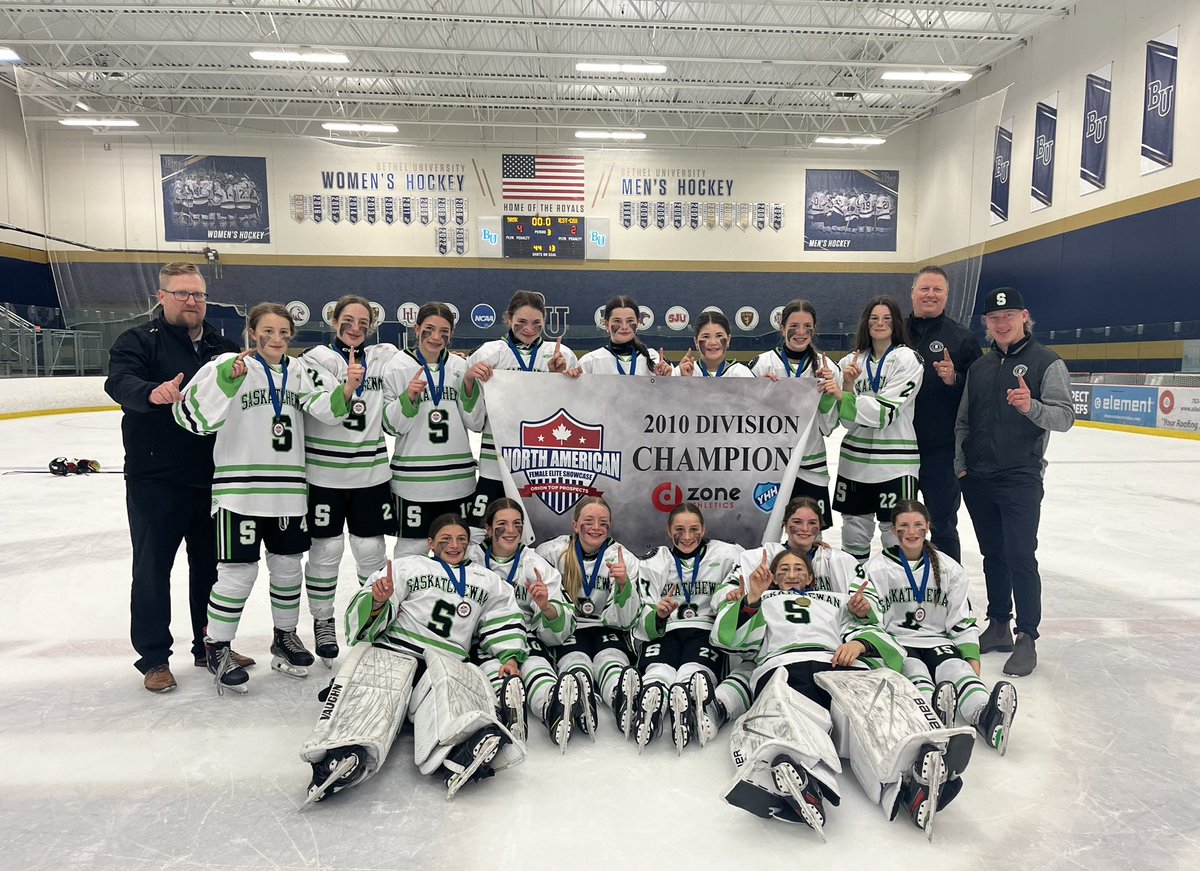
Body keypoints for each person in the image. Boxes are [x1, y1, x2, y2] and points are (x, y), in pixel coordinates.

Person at [713, 550, 973, 839]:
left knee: (875, 709)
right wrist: (752, 600)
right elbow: (727, 640)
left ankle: (912, 779)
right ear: (773, 577)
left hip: (839, 666)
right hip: (784, 667)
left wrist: (861, 644)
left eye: (799, 568)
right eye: (783, 569)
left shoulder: (837, 601)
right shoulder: (762, 601)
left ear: (811, 577)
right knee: (786, 712)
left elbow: (880, 638)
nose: (791, 573)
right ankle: (803, 780)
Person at [174, 303, 354, 693]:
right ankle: (218, 645)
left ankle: (284, 636)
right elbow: (191, 418)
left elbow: (329, 412)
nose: (276, 339)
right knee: (238, 574)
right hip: (239, 492)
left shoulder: (302, 371)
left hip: (288, 492)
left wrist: (348, 389)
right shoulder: (227, 364)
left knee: (288, 569)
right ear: (253, 332)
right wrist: (226, 382)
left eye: (284, 333)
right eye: (268, 331)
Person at [302, 514, 528, 803]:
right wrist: (378, 602)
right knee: (375, 695)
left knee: (451, 691)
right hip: (395, 651)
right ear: (431, 543)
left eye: (460, 539)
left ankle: (461, 749)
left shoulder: (488, 582)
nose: (453, 545)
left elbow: (502, 619)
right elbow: (363, 616)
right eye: (445, 539)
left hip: (443, 660)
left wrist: (510, 657)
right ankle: (341, 753)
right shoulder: (407, 566)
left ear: (469, 544)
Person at [105, 262, 243, 692]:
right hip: (156, 479)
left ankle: (209, 646)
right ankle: (153, 658)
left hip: (211, 477)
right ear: (161, 296)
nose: (191, 302)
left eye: (198, 295)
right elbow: (119, 382)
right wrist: (150, 392)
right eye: (182, 293)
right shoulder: (137, 341)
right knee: (151, 570)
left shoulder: (223, 345)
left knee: (209, 570)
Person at [956, 287, 1074, 677]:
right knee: (993, 555)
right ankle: (999, 625)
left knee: (1021, 556)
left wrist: (1031, 406)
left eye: (1008, 316)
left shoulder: (1047, 363)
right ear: (987, 325)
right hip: (978, 476)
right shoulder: (981, 367)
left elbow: (1065, 418)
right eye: (993, 318)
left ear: (1024, 317)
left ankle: (1026, 636)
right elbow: (964, 421)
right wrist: (962, 466)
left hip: (1020, 476)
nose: (1001, 323)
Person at [866, 501, 1018, 755]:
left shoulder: (949, 568)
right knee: (916, 673)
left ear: (927, 527)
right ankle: (932, 718)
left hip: (937, 641)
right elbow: (872, 615)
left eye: (918, 525)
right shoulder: (876, 568)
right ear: (893, 529)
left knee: (956, 669)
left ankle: (986, 716)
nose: (911, 531)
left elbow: (961, 618)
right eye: (904, 525)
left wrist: (970, 657)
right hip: (899, 644)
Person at [299, 295, 399, 665]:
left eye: (363, 321)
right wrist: (346, 388)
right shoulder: (314, 361)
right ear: (334, 321)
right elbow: (320, 410)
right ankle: (323, 622)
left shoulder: (383, 359)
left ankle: (371, 620)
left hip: (370, 474)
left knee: (371, 551)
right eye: (348, 320)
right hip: (325, 475)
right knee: (325, 553)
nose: (355, 327)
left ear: (372, 326)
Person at [630, 503, 743, 752]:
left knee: (694, 670)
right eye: (679, 530)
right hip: (666, 629)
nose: (687, 536)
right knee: (659, 669)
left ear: (704, 529)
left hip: (704, 630)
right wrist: (659, 613)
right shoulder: (656, 561)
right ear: (669, 532)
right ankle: (652, 705)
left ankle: (687, 697)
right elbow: (642, 609)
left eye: (694, 529)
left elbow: (763, 562)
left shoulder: (726, 554)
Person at [464, 291, 578, 531]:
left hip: (541, 465)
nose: (529, 329)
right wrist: (469, 382)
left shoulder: (562, 355)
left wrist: (562, 380)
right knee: (480, 533)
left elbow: (573, 414)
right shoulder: (488, 353)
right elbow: (474, 422)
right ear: (508, 318)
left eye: (537, 323)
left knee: (538, 531)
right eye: (522, 322)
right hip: (495, 464)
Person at [381, 302, 488, 556]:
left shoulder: (460, 367)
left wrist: (470, 385)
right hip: (413, 483)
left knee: (457, 551)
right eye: (429, 329)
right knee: (411, 553)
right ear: (416, 329)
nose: (436, 337)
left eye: (444, 331)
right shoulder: (397, 366)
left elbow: (475, 423)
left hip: (457, 481)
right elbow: (391, 427)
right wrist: (407, 399)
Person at [467, 498, 577, 747]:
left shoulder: (535, 564)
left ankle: (552, 707)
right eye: (502, 523)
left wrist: (546, 606)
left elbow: (562, 625)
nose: (510, 530)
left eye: (517, 524)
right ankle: (506, 713)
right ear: (487, 528)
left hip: (526, 636)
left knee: (537, 664)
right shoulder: (470, 558)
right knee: (493, 670)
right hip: (483, 637)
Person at [823, 296, 923, 562]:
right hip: (854, 461)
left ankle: (895, 592)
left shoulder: (908, 359)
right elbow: (847, 422)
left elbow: (885, 413)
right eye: (874, 318)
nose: (880, 324)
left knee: (898, 531)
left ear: (897, 324)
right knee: (854, 532)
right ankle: (857, 592)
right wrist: (845, 387)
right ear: (865, 323)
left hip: (895, 464)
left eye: (887, 319)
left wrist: (846, 397)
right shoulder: (849, 362)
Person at [535, 497, 643, 738]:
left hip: (607, 627)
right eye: (589, 521)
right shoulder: (553, 553)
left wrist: (624, 584)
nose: (596, 527)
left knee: (610, 659)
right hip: (570, 628)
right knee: (576, 659)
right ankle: (580, 699)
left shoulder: (622, 558)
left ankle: (620, 697)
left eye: (603, 523)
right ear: (575, 525)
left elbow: (626, 621)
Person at [905, 266, 982, 562]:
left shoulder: (962, 339)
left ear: (947, 296)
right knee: (898, 524)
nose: (930, 294)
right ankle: (900, 589)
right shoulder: (894, 332)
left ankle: (951, 595)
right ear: (912, 293)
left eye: (937, 289)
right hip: (898, 450)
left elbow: (979, 395)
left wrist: (955, 380)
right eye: (924, 288)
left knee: (944, 525)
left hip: (941, 452)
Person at [750, 300, 842, 528]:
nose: (801, 332)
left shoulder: (827, 367)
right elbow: (743, 420)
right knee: (765, 534)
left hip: (811, 465)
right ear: (782, 328)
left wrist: (829, 393)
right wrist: (756, 392)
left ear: (814, 328)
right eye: (794, 325)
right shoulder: (762, 364)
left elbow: (828, 427)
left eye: (807, 326)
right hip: (770, 466)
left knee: (810, 535)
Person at [575, 295, 674, 376]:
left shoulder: (654, 359)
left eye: (630, 321)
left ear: (638, 322)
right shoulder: (589, 362)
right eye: (617, 321)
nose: (624, 326)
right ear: (606, 325)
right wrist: (569, 379)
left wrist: (664, 381)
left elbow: (671, 397)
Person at [676, 311, 753, 378]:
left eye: (719, 336)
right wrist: (684, 382)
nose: (713, 342)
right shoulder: (681, 371)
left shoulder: (741, 373)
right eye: (706, 336)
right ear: (696, 341)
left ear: (728, 340)